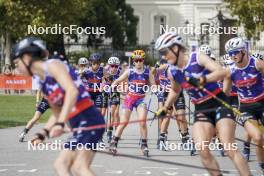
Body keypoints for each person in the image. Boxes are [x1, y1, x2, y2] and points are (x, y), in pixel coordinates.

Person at [155, 32, 250, 176]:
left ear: (175, 48)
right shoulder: (172, 71)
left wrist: (202, 80)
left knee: (228, 146)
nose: (163, 56)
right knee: (202, 149)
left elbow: (222, 72)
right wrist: (165, 107)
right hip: (201, 108)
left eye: (164, 51)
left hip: (219, 102)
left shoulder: (197, 57)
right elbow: (175, 90)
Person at [12, 37, 105, 176]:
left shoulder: (53, 65)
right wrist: (42, 133)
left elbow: (72, 91)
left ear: (26, 58)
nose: (16, 67)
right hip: (79, 124)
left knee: (80, 167)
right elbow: (56, 113)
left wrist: (61, 124)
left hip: (89, 119)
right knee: (60, 165)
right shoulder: (41, 82)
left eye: (16, 63)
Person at [223, 38, 264, 174]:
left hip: (262, 102)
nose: (232, 56)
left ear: (243, 51)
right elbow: (225, 94)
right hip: (246, 107)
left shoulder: (257, 64)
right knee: (257, 137)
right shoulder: (230, 71)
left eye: (235, 52)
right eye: (230, 54)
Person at [109, 50, 156, 157]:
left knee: (142, 122)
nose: (138, 62)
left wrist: (154, 89)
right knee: (124, 122)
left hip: (141, 100)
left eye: (141, 60)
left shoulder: (147, 72)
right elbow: (117, 81)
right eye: (136, 60)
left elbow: (153, 84)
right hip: (129, 98)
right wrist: (112, 87)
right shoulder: (129, 71)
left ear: (143, 60)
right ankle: (114, 142)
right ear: (134, 61)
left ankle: (144, 145)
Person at [103, 56, 122, 143]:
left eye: (116, 66)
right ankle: (106, 131)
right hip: (106, 93)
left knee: (114, 112)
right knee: (107, 112)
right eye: (112, 66)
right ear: (109, 65)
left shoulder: (120, 72)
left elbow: (123, 84)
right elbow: (101, 84)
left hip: (116, 93)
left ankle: (112, 131)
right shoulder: (105, 71)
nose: (114, 68)